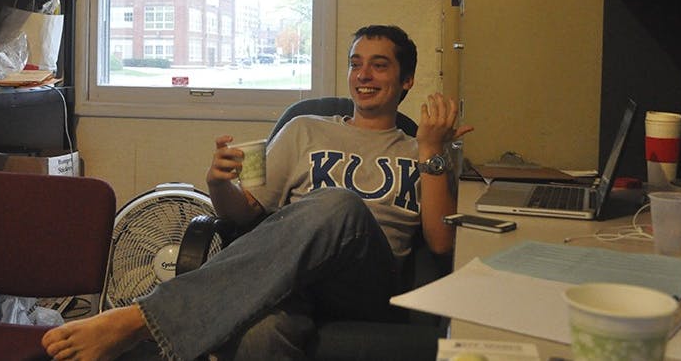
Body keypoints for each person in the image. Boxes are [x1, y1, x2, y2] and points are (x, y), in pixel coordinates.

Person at [42, 25, 472, 361]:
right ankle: (152, 323)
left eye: (379, 65)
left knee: (337, 203)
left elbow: (440, 241)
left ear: (407, 79)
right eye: (355, 63)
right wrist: (218, 184)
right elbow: (242, 215)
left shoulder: (422, 148)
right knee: (257, 335)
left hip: (365, 285)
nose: (363, 75)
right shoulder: (300, 129)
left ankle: (142, 318)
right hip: (287, 279)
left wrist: (433, 151)